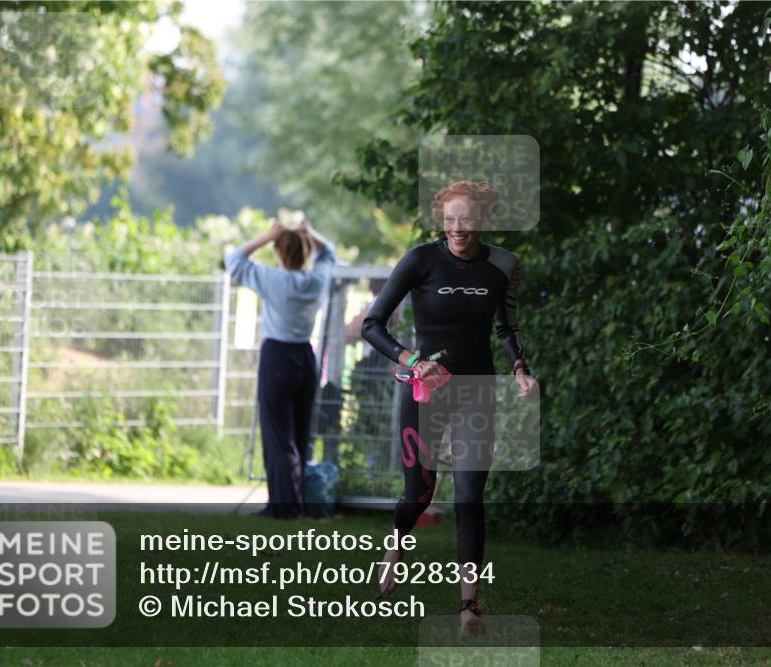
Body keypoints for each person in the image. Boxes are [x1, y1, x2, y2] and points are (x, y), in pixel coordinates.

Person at [361, 180, 537, 635]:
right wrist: (412, 361)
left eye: (467, 219)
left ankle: (467, 607)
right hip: (425, 394)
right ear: (442, 220)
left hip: (476, 392)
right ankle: (397, 545)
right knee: (419, 494)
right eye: (450, 219)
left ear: (480, 220)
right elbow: (372, 325)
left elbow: (507, 325)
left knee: (468, 497)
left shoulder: (503, 265)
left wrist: (519, 367)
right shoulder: (421, 260)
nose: (458, 228)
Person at [224, 218, 335, 519]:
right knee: (299, 434)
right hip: (305, 357)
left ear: (279, 252)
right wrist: (310, 232)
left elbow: (233, 260)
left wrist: (266, 235)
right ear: (307, 251)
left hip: (277, 356)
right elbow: (330, 254)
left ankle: (283, 508)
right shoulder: (316, 281)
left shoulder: (272, 279)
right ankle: (295, 503)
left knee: (277, 436)